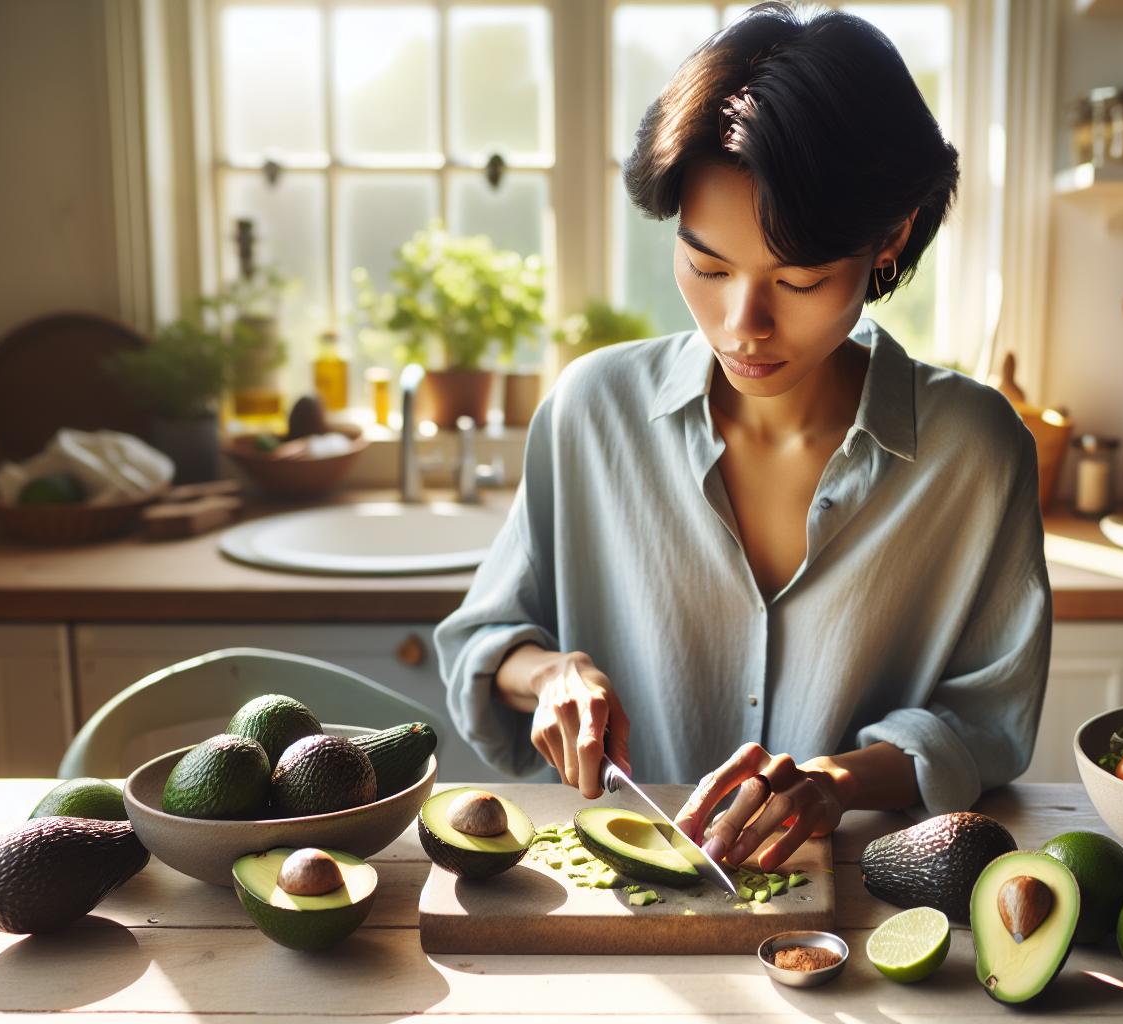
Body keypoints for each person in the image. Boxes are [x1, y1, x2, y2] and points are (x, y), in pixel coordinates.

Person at [434, 1, 1051, 873]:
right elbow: (483, 641)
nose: (742, 325)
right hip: (625, 919)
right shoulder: (590, 412)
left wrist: (835, 781)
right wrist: (551, 676)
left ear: (892, 239)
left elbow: (986, 722)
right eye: (706, 266)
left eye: (798, 280)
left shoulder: (976, 452)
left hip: (867, 927)